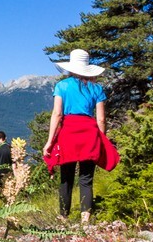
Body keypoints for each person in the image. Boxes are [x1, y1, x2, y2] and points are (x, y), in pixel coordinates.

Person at [41, 49, 119, 225]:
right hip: (89, 133)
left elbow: (57, 114)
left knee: (66, 177)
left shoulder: (62, 86)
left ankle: (63, 217)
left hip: (68, 132)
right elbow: (101, 118)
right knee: (86, 178)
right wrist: (102, 138)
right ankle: (85, 219)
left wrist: (49, 141)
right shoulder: (97, 88)